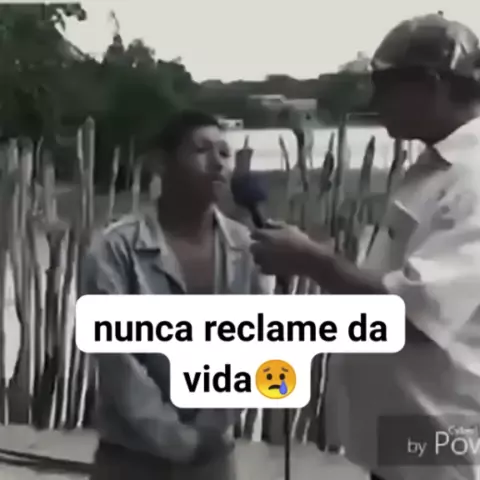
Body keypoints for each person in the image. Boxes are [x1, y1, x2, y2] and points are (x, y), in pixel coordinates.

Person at [250, 13, 480, 480]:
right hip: (407, 442)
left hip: (443, 448)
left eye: (385, 86)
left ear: (431, 85)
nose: (375, 101)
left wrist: (313, 261)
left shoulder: (472, 178)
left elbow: (413, 315)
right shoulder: (436, 169)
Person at [81, 110, 273, 480]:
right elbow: (117, 362)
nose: (217, 163)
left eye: (224, 153)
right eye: (201, 150)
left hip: (213, 456)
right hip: (131, 457)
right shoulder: (116, 248)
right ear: (161, 163)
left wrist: (211, 426)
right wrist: (178, 440)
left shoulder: (245, 246)